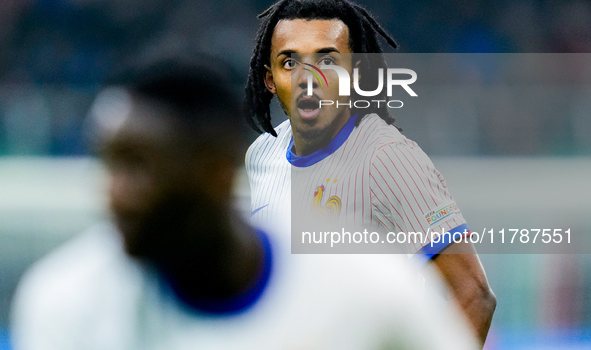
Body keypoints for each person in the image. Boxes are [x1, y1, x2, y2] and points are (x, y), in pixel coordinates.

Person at [11, 57, 478, 349]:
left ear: (216, 170)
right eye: (108, 164)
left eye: (138, 167)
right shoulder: (65, 302)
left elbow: (472, 291)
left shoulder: (363, 279)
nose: (113, 192)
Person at [244, 0, 496, 345]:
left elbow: (473, 294)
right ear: (269, 80)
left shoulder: (388, 159)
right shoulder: (261, 156)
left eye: (327, 60)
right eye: (290, 62)